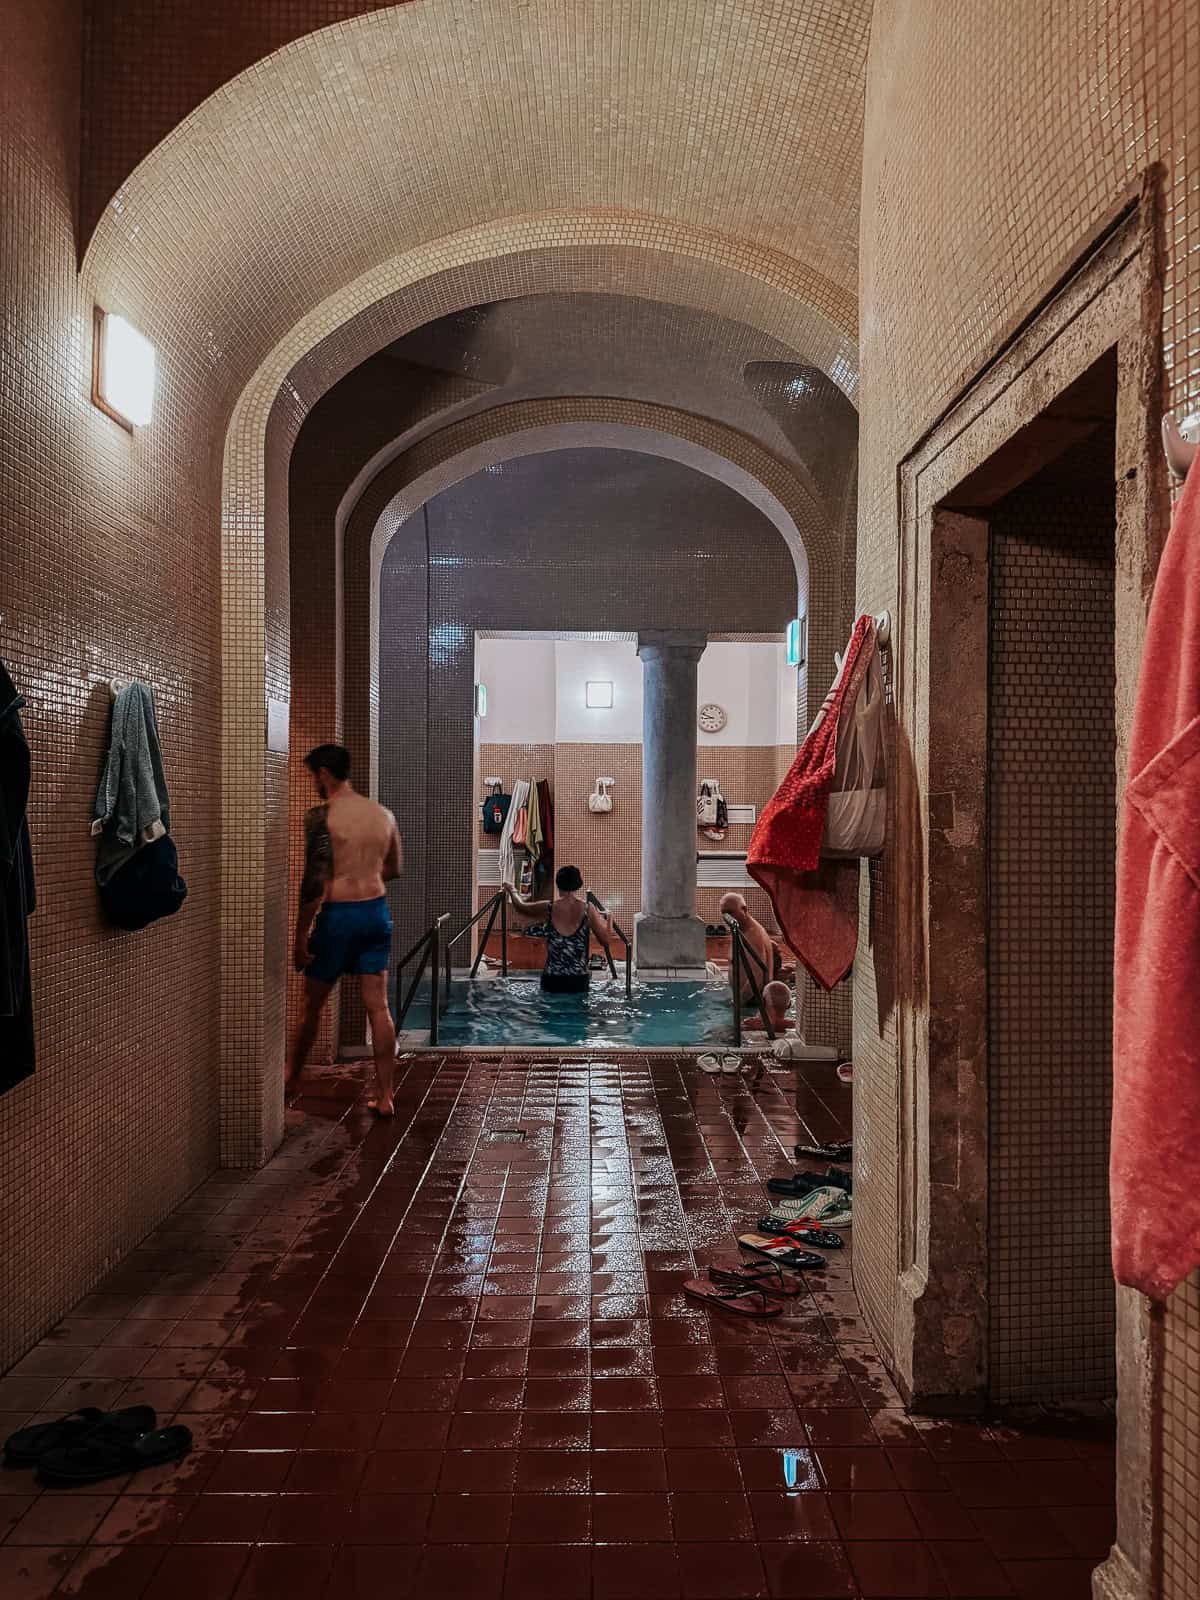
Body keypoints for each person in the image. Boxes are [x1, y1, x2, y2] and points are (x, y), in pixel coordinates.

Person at [287, 744, 403, 1116]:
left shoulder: (322, 817)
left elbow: (314, 882)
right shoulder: (382, 815)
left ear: (323, 773)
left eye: (312, 776)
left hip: (338, 916)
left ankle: (290, 1080)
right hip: (375, 914)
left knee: (312, 1004)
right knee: (379, 1006)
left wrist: (301, 935)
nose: (313, 783)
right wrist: (364, 877)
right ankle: (385, 1096)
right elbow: (394, 868)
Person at [505, 865, 613, 993]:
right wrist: (610, 917)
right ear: (578, 884)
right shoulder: (587, 909)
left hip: (552, 979)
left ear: (558, 884)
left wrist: (512, 889)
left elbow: (521, 907)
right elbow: (605, 940)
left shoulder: (549, 908)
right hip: (578, 980)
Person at [719, 892, 778, 1000]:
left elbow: (757, 977)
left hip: (751, 1003)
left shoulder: (752, 935)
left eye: (730, 912)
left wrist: (739, 1003)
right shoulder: (741, 930)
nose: (727, 917)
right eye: (724, 913)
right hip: (747, 1000)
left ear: (744, 910)